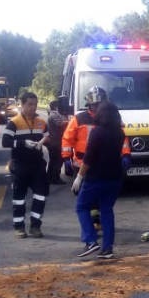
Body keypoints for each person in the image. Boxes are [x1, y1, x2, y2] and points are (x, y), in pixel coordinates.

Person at [71, 101, 131, 259]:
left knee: (82, 207)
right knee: (106, 210)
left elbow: (89, 158)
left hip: (95, 178)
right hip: (115, 178)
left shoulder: (97, 132)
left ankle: (91, 240)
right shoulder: (120, 133)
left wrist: (79, 177)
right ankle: (107, 248)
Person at [1, 91, 50, 239]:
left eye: (35, 104)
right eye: (29, 104)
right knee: (19, 198)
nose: (33, 107)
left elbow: (48, 136)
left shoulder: (41, 122)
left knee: (41, 196)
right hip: (20, 165)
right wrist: (22, 143)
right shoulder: (14, 122)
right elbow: (5, 142)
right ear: (22, 105)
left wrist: (43, 142)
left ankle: (35, 226)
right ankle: (19, 227)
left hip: (38, 166)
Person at [62, 86, 111, 228]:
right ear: (89, 104)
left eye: (100, 104)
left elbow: (121, 137)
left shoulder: (110, 118)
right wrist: (66, 158)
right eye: (95, 104)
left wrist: (125, 154)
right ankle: (93, 221)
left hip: (102, 164)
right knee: (85, 196)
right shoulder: (79, 118)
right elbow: (67, 139)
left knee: (100, 194)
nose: (97, 107)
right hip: (81, 164)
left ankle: (96, 220)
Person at [46, 99, 67, 185]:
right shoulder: (54, 115)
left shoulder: (54, 114)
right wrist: (71, 121)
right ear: (56, 107)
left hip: (54, 141)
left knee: (53, 160)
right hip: (56, 142)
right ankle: (55, 178)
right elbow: (60, 124)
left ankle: (50, 177)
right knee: (58, 161)